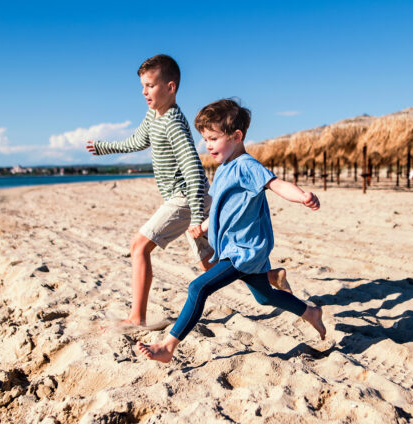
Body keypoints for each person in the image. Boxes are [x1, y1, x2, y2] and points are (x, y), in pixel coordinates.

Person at [86, 55, 291, 328]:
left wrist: (196, 217)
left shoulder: (173, 122)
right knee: (210, 262)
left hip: (186, 198)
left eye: (150, 85)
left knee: (139, 246)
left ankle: (137, 317)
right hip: (191, 200)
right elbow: (137, 140)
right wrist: (104, 147)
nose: (144, 92)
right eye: (142, 86)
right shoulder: (153, 116)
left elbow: (194, 169)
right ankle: (269, 277)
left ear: (170, 87)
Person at [137, 99, 326, 363]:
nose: (208, 145)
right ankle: (310, 312)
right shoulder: (224, 168)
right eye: (205, 139)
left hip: (244, 251)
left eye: (213, 138)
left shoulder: (248, 166)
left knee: (198, 288)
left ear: (236, 136)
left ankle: (168, 346)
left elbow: (276, 184)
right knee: (265, 297)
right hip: (232, 247)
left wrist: (303, 196)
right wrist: (202, 227)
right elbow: (220, 208)